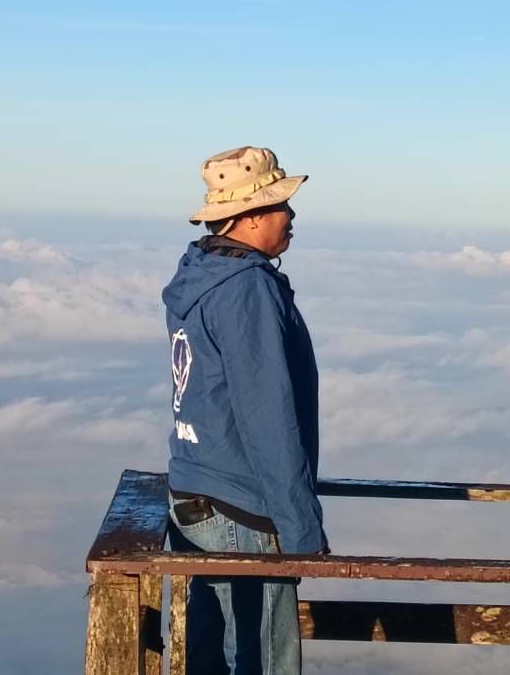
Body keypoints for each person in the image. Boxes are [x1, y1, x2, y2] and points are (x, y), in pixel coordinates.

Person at [162, 145, 326, 675]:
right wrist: (301, 531)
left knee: (208, 654)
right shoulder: (247, 288)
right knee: (264, 660)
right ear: (251, 216)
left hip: (195, 494)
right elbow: (268, 416)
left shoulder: (201, 274)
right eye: (281, 204)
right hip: (242, 506)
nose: (291, 215)